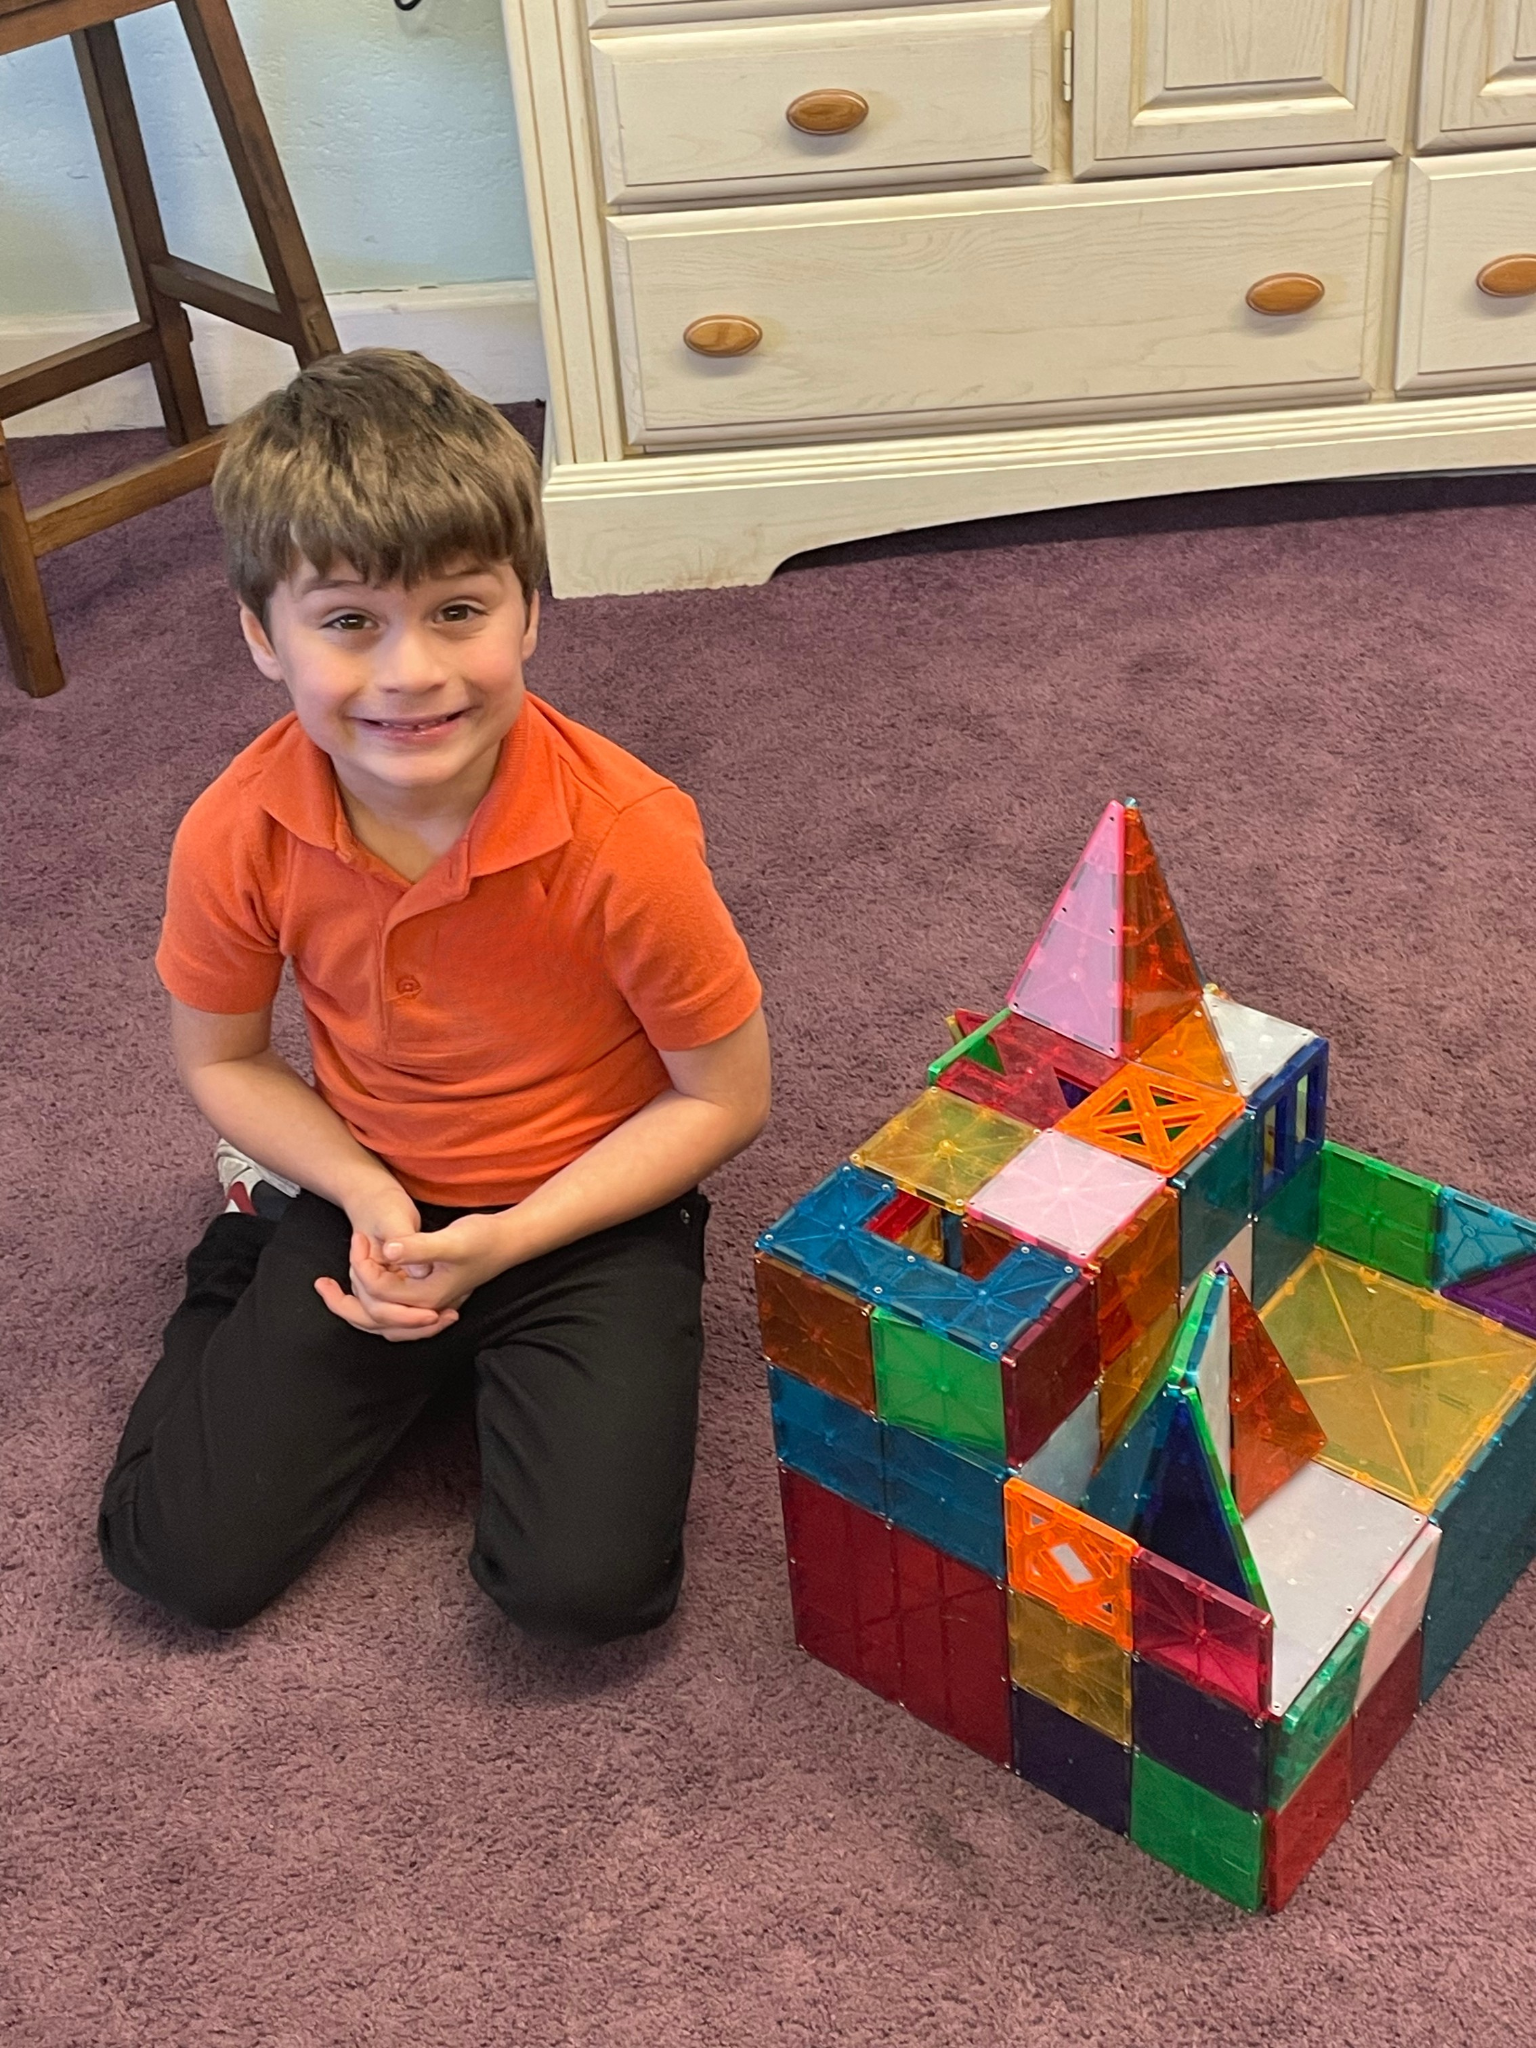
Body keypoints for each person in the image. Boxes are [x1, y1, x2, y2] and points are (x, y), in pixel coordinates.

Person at [98, 349, 770, 1644]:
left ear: (530, 611)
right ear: (260, 634)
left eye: (459, 611)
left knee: (585, 1594)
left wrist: (511, 1243)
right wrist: (363, 1196)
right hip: (377, 1188)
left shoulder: (624, 838)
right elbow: (225, 1061)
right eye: (349, 621)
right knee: (176, 1560)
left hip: (591, 1205)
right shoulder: (233, 834)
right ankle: (244, 1245)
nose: (411, 672)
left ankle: (483, 1312)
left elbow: (728, 1094)